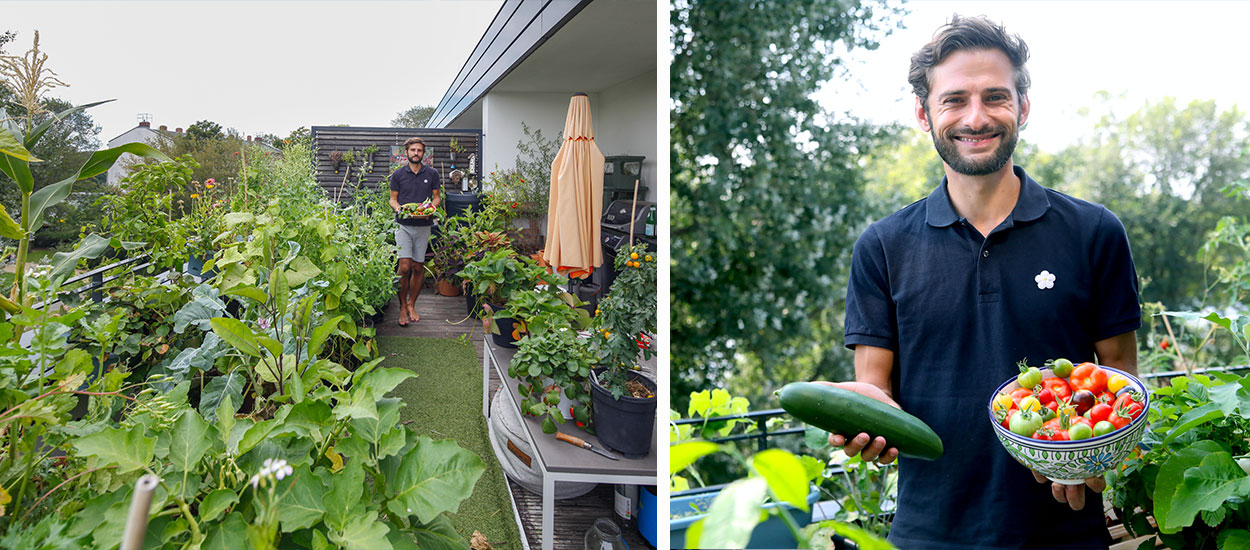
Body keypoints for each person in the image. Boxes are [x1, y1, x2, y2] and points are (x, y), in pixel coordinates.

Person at [829, 15, 1141, 549]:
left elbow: (1121, 382)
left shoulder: (1094, 232)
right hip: (928, 534)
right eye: (953, 100)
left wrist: (1096, 454)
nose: (976, 117)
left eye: (995, 96)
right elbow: (874, 388)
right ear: (924, 116)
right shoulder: (882, 246)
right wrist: (870, 420)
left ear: (1022, 107)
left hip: (1063, 532)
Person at [389, 137, 441, 326]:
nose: (416, 153)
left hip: (423, 225)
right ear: (407, 153)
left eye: (419, 150)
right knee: (404, 266)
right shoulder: (398, 175)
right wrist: (399, 209)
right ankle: (402, 305)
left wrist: (430, 209)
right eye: (413, 150)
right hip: (403, 224)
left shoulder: (432, 173)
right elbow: (393, 200)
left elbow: (436, 198)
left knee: (419, 267)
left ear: (423, 153)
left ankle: (412, 304)